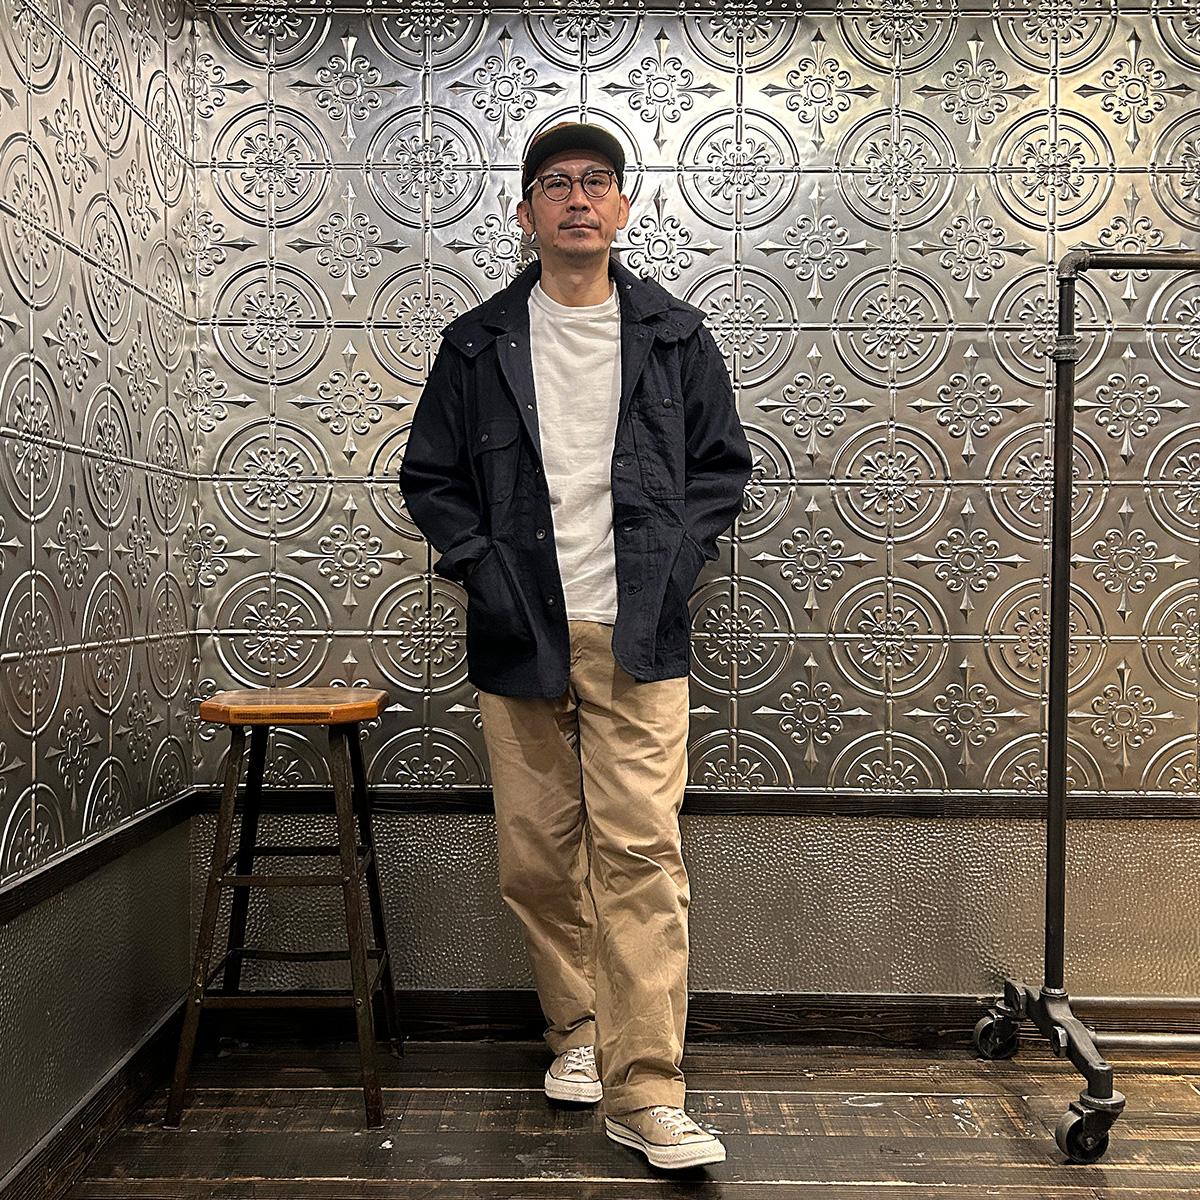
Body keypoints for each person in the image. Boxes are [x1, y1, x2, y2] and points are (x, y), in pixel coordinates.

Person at [399, 120, 752, 1171]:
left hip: (637, 632)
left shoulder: (677, 337)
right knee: (538, 856)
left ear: (624, 207)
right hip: (521, 631)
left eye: (598, 181)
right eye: (556, 183)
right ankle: (579, 1032)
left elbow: (720, 470)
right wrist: (483, 570)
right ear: (526, 213)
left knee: (641, 855)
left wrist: (674, 566)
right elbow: (431, 478)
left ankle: (649, 1093)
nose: (579, 198)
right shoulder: (476, 344)